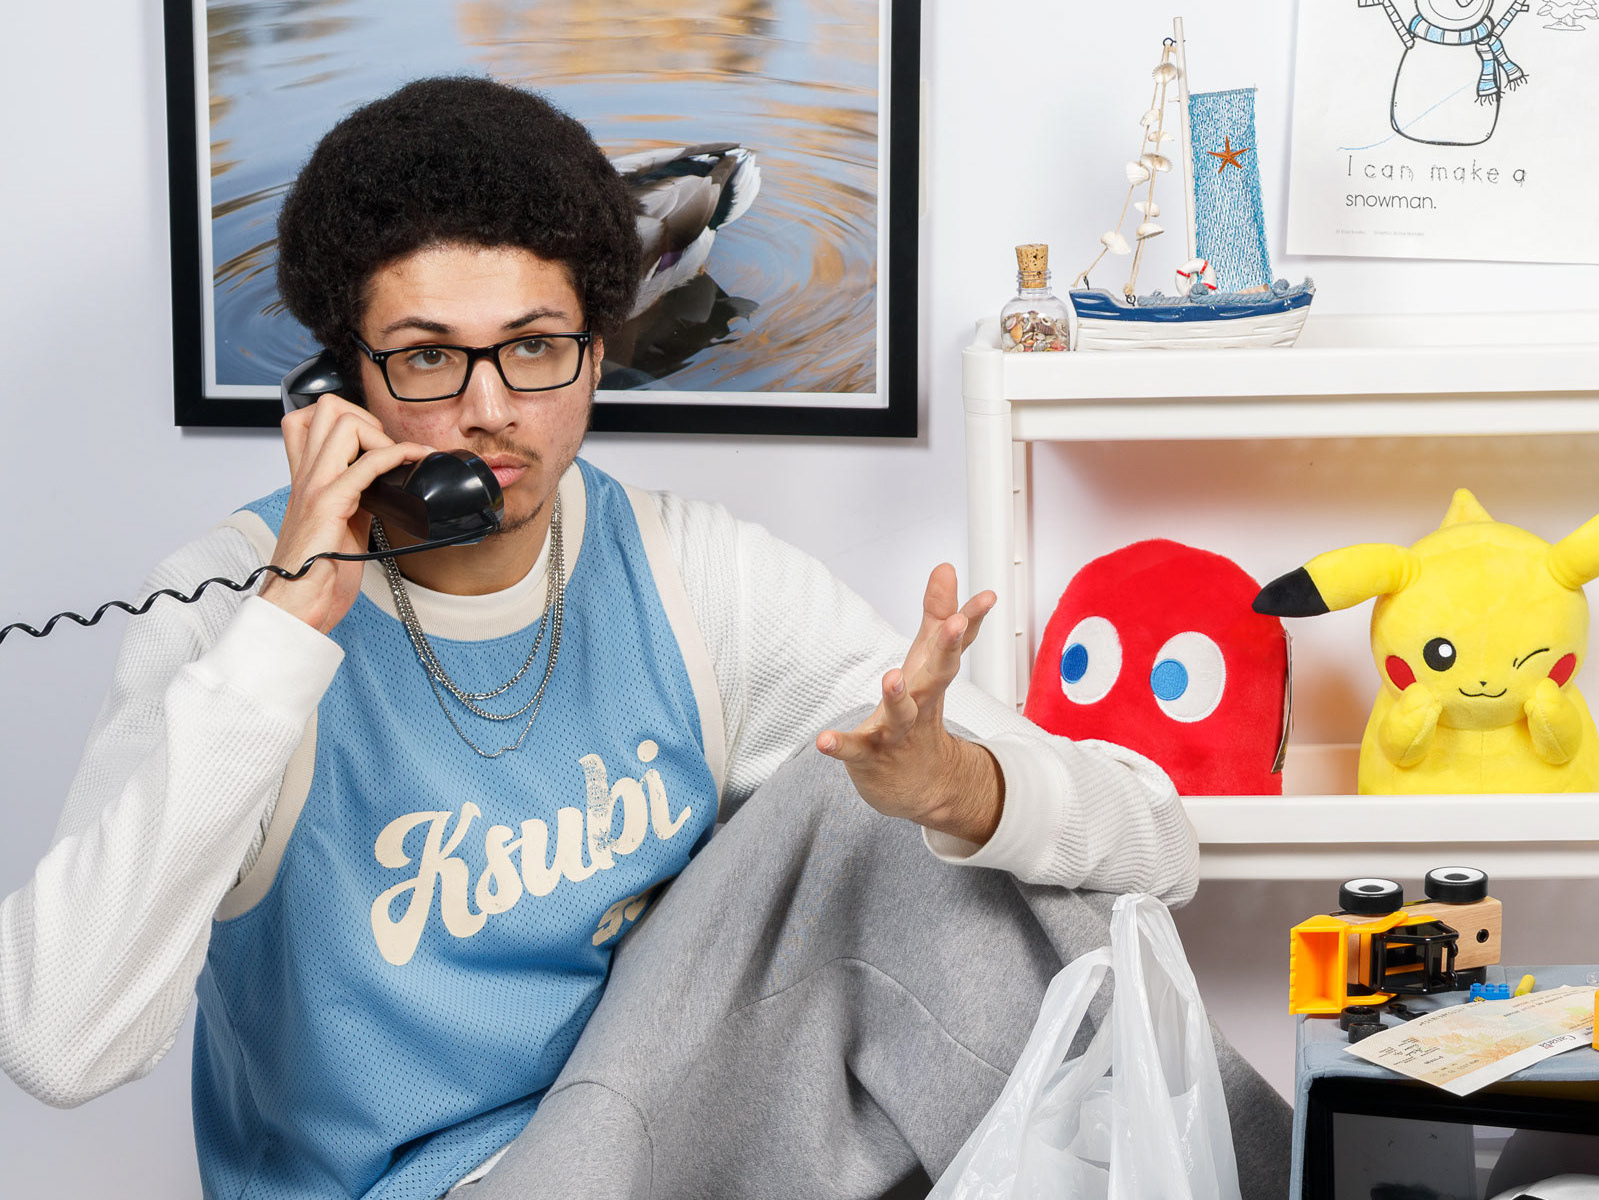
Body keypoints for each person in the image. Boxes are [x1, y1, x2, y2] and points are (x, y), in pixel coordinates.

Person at [0, 77, 1233, 1199]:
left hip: (642, 1148)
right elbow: (59, 1042)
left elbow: (1155, 839)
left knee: (907, 829)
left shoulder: (696, 575)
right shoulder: (229, 615)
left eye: (535, 348)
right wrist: (287, 630)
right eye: (427, 359)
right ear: (338, 386)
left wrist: (956, 785)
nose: (490, 411)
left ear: (597, 351)